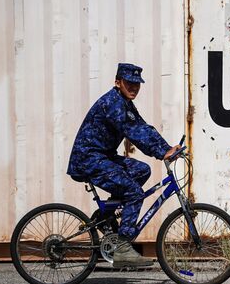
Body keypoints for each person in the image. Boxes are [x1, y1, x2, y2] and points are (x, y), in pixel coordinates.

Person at [67, 63, 179, 267]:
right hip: (89, 159)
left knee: (142, 170)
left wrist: (167, 148)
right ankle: (123, 247)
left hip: (102, 157)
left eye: (137, 84)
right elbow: (134, 131)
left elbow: (143, 127)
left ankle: (105, 216)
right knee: (134, 193)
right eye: (129, 83)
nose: (134, 87)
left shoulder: (124, 102)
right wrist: (162, 152)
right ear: (118, 82)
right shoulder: (113, 103)